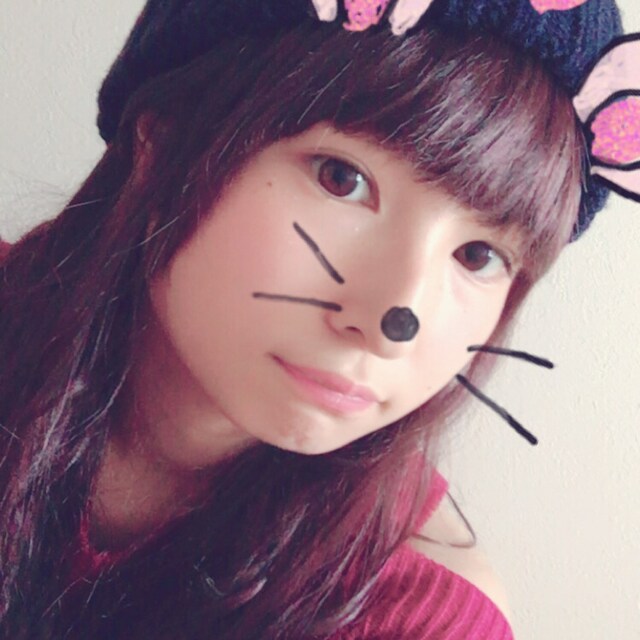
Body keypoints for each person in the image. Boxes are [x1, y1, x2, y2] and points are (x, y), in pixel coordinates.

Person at [0, 1, 636, 638]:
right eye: (342, 179)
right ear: (161, 141)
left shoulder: (414, 616)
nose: (395, 317)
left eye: (478, 256)